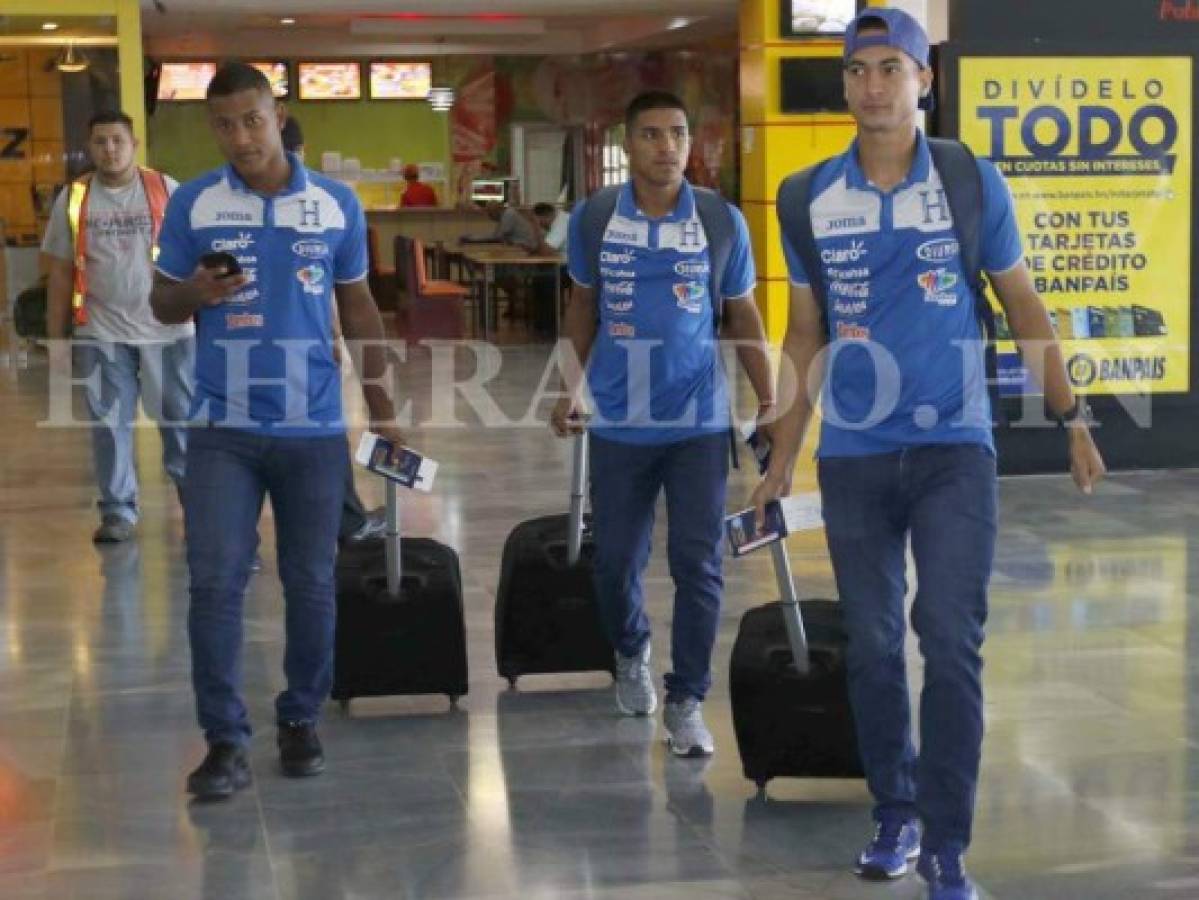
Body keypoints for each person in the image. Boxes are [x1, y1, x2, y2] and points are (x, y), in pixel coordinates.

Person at [750, 10, 1106, 900]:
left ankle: (948, 839)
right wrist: (780, 453)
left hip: (954, 449)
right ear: (844, 84)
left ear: (923, 82)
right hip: (857, 457)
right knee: (871, 645)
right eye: (859, 69)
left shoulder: (968, 182)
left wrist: (1070, 415)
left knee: (948, 641)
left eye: (891, 68)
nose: (873, 85)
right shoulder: (805, 196)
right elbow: (803, 335)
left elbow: (1023, 307)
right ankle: (895, 809)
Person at [149, 63, 407, 800]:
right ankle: (225, 740)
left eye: (252, 120)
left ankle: (300, 719)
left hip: (313, 429)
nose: (240, 137)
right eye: (224, 124)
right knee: (215, 583)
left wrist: (385, 418)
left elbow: (358, 310)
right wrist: (194, 292)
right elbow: (162, 303)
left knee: (312, 582)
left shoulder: (335, 204)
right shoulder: (194, 203)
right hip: (220, 429)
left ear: (278, 114)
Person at [551, 91, 773, 757]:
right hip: (617, 425)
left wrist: (771, 403)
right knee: (616, 560)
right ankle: (629, 650)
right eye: (649, 134)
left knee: (698, 563)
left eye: (676, 132)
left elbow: (743, 316)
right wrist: (569, 387)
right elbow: (581, 308)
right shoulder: (594, 220)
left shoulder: (718, 220)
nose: (666, 146)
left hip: (698, 424)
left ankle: (686, 699)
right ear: (629, 144)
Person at [42, 110, 193, 543]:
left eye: (117, 141)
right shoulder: (74, 199)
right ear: (90, 147)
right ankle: (118, 512)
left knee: (181, 426)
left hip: (169, 333)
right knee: (109, 427)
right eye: (100, 142)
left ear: (134, 143)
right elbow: (60, 274)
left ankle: (197, 507)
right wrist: (56, 342)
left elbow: (199, 259)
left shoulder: (168, 190)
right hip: (101, 332)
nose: (110, 150)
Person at [279, 114, 385, 545]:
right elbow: (329, 288)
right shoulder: (324, 201)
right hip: (303, 354)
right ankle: (347, 520)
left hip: (250, 358)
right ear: (303, 151)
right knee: (321, 435)